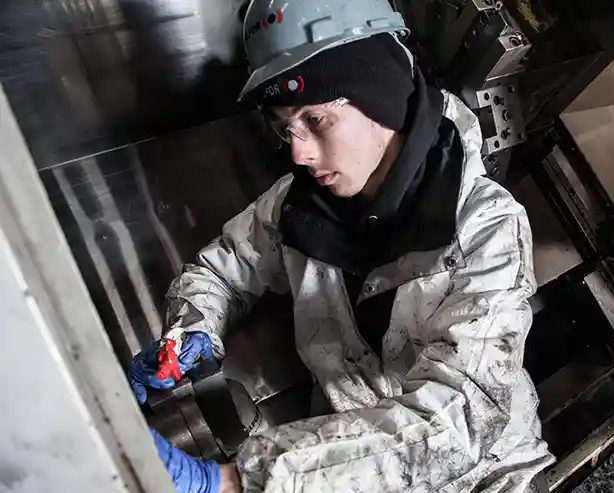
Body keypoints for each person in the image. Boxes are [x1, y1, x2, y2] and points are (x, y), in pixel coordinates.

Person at [128, 0, 554, 491]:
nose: (299, 152)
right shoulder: (298, 207)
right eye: (284, 127)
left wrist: (240, 483)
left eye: (317, 120)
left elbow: (459, 420)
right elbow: (219, 271)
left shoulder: (485, 227)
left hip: (483, 480)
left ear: (381, 97)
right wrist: (190, 334)